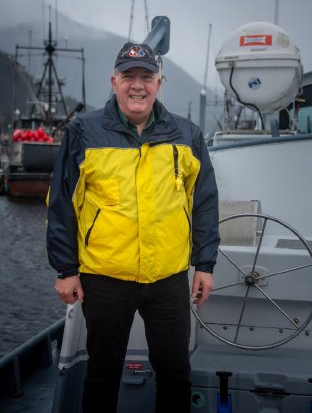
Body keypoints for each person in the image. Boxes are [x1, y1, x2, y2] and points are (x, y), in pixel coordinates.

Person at [46, 42, 220, 413]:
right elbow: (62, 204)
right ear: (114, 81)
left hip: (169, 279)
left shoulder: (187, 135)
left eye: (146, 77)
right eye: (128, 76)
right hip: (105, 278)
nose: (137, 85)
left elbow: (203, 201)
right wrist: (66, 270)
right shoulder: (83, 132)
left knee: (176, 374)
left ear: (160, 83)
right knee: (102, 375)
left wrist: (204, 263)